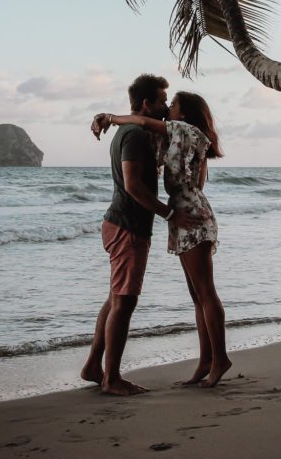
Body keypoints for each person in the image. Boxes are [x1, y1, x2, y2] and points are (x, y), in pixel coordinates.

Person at [92, 91, 231, 387]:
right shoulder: (187, 136)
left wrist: (110, 118)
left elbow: (141, 119)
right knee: (198, 296)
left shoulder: (184, 130)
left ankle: (220, 359)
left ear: (185, 113)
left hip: (189, 215)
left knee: (205, 292)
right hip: (188, 210)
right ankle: (206, 360)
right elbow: (199, 181)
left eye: (174, 105)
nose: (169, 108)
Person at [81, 74, 202, 396]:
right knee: (125, 301)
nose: (166, 106)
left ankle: (94, 365)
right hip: (127, 226)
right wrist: (170, 214)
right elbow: (133, 185)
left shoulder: (134, 129)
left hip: (123, 223)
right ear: (147, 103)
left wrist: (104, 116)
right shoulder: (134, 135)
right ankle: (112, 379)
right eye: (163, 100)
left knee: (115, 298)